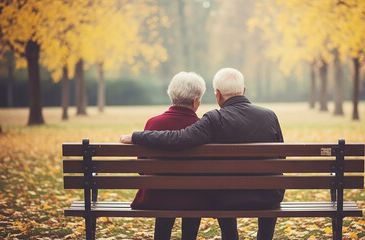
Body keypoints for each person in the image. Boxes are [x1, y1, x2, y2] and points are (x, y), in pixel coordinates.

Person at [121, 68, 285, 240]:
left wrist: (136, 136)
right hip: (269, 196)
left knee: (223, 190)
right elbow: (281, 158)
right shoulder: (269, 115)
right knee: (260, 188)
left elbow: (179, 138)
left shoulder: (215, 119)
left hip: (228, 199)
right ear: (243, 90)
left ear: (218, 94)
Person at [128, 71, 208, 240]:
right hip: (194, 199)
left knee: (165, 193)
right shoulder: (202, 127)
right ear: (196, 101)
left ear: (171, 95)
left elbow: (142, 168)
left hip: (157, 196)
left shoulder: (153, 123)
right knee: (192, 194)